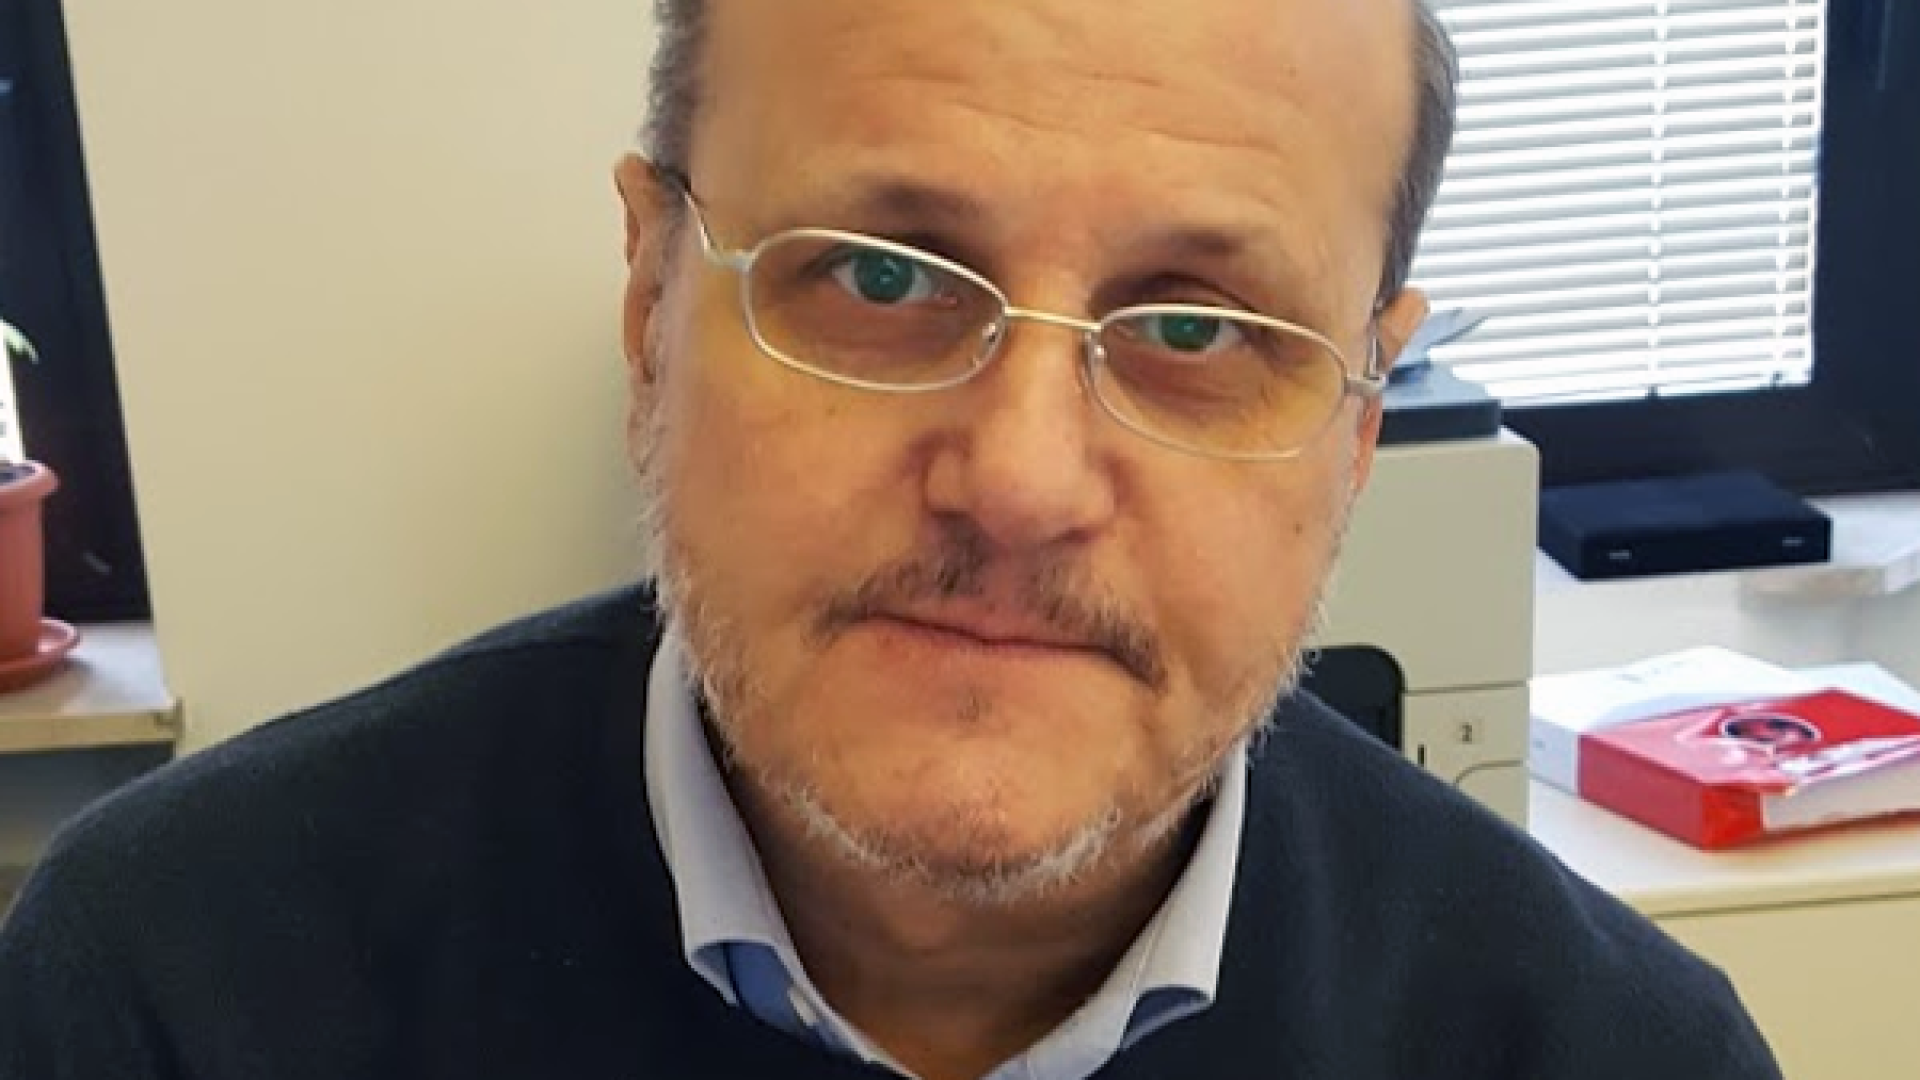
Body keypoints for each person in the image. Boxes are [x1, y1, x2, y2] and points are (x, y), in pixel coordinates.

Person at [0, 0, 1783, 1077]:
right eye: (876, 278)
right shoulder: (172, 992)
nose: (1021, 480)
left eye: (1195, 327)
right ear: (649, 300)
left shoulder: (1611, 1058)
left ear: (1362, 421)